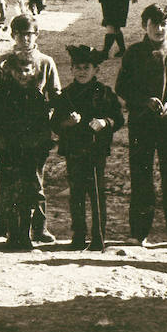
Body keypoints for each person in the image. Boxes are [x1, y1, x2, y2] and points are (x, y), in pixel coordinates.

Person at [115, 3, 167, 247]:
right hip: (141, 124)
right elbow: (122, 86)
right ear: (144, 26)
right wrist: (143, 101)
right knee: (141, 176)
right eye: (154, 24)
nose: (159, 29)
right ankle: (138, 234)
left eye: (164, 24)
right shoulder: (133, 53)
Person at [0, 14, 63, 244]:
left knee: (36, 181)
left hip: (35, 132)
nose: (24, 39)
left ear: (36, 35)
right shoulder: (3, 62)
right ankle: (3, 225)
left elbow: (55, 95)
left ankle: (39, 227)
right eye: (19, 34)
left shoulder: (45, 62)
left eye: (28, 34)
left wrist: (49, 122)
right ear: (13, 36)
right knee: (7, 180)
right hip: (8, 132)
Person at [0, 52, 56, 251]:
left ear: (34, 72)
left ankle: (25, 233)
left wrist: (41, 146)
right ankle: (13, 234)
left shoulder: (36, 95)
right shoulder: (3, 94)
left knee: (30, 193)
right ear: (11, 72)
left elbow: (42, 124)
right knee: (10, 192)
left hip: (30, 152)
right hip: (9, 151)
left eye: (27, 70)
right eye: (19, 71)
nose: (23, 75)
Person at [52, 45, 123, 251]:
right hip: (73, 150)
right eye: (78, 68)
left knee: (97, 193)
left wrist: (104, 123)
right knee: (76, 193)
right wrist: (68, 123)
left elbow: (118, 119)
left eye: (87, 67)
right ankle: (78, 235)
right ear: (72, 70)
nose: (82, 72)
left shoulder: (105, 93)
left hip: (96, 150)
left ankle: (99, 236)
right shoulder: (65, 95)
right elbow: (55, 124)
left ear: (96, 70)